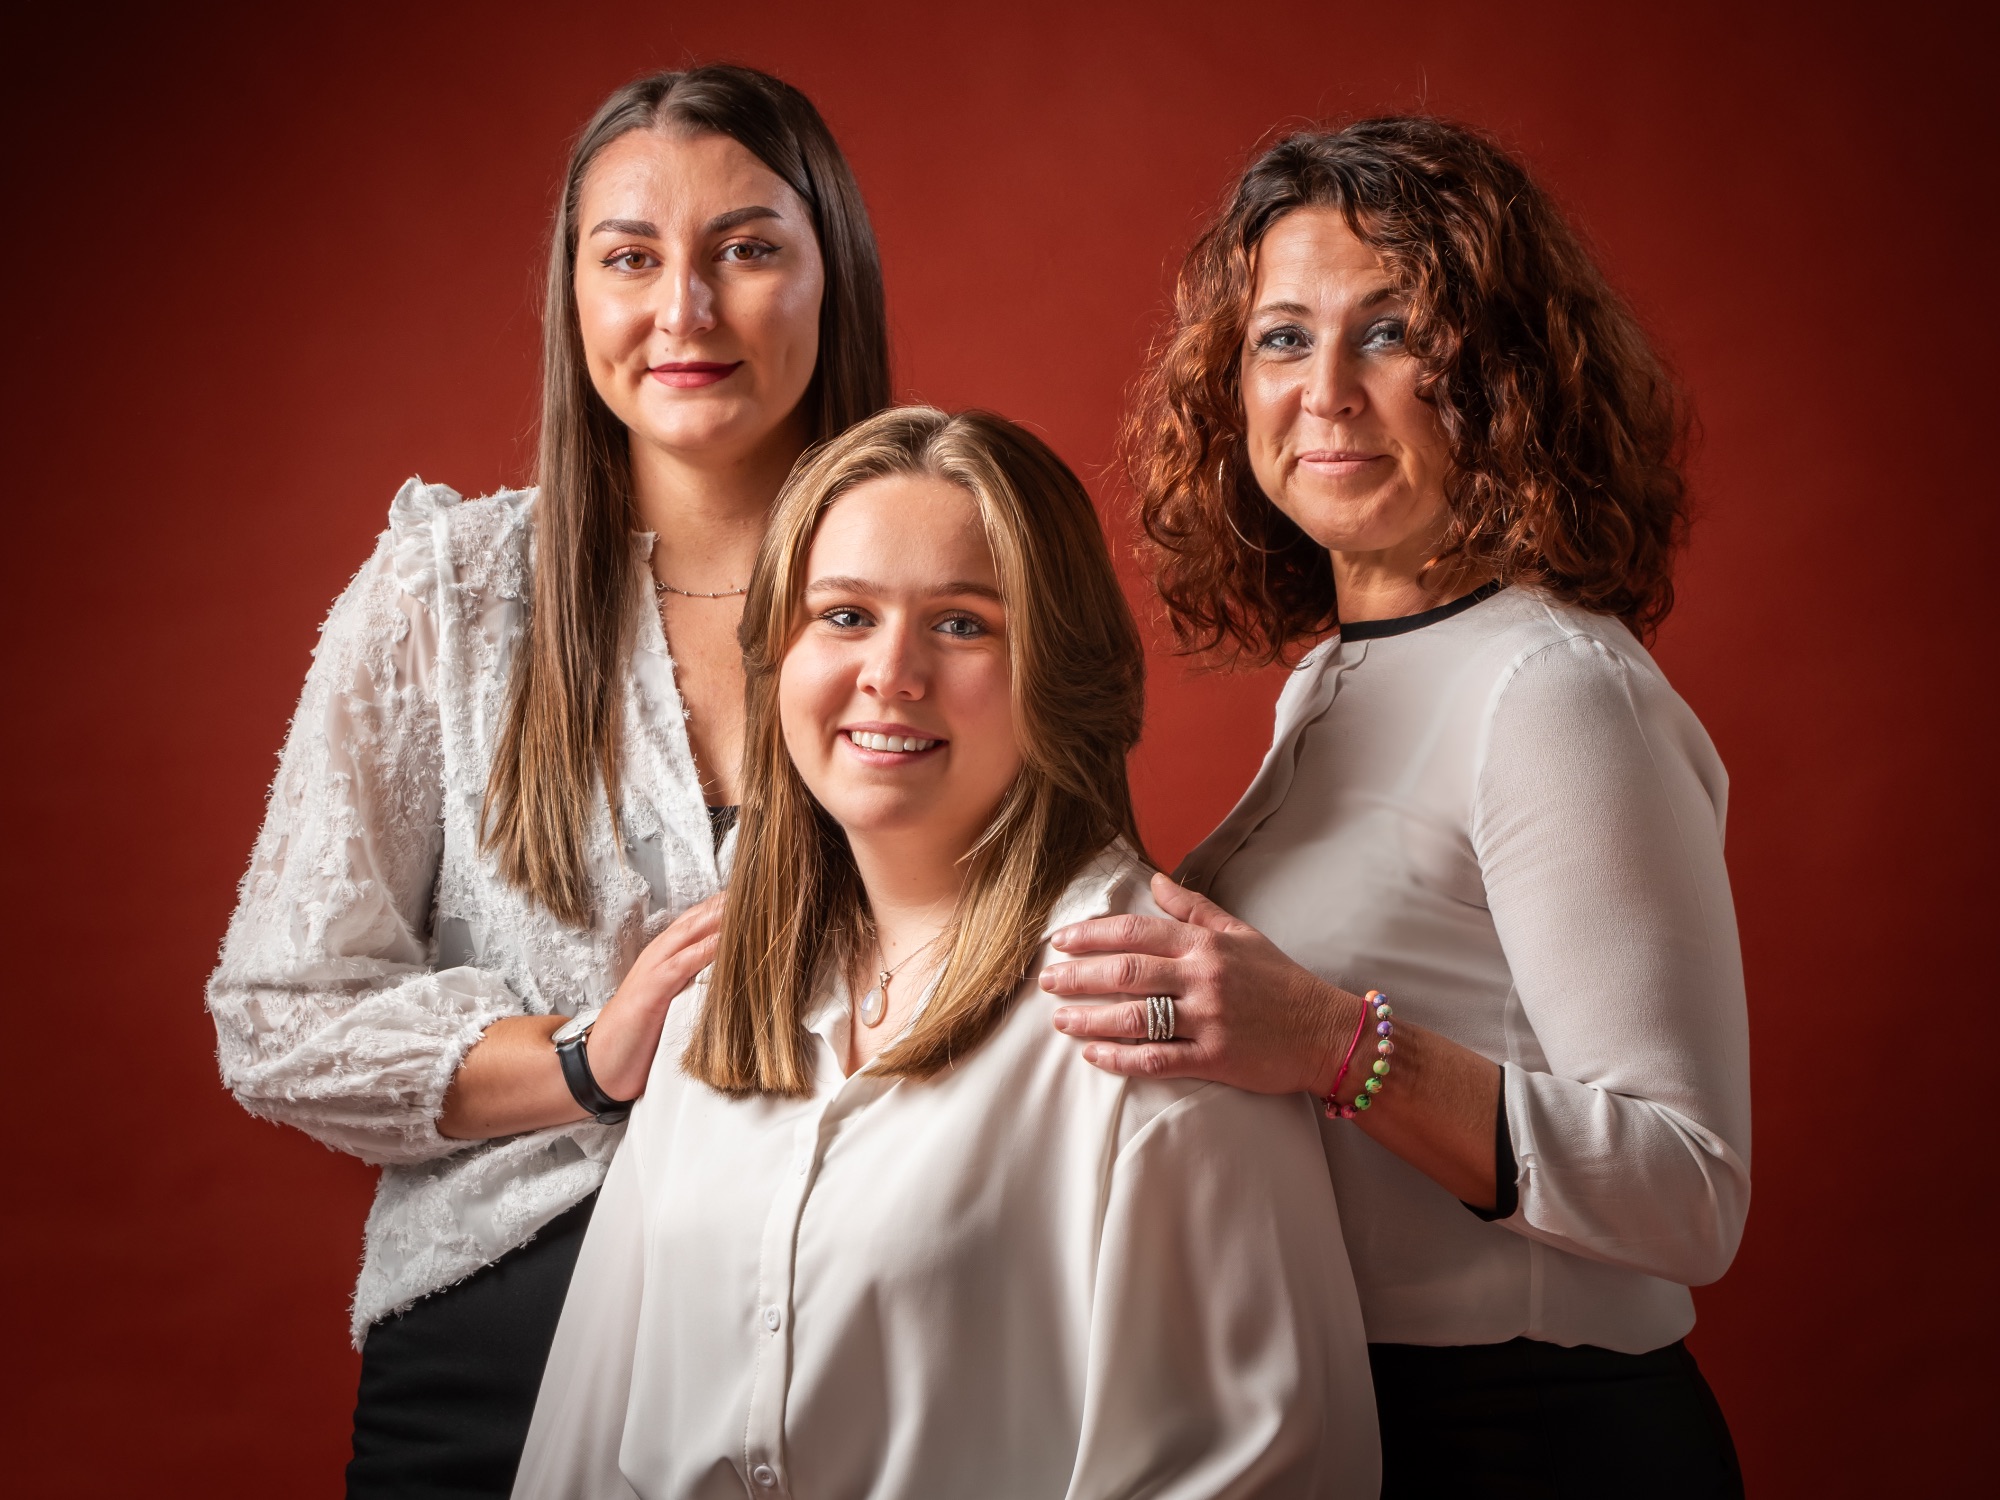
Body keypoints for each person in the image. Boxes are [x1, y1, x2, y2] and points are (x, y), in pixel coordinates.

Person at [205, 65, 891, 1497]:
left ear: (836, 277)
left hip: (860, 1356)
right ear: (573, 296)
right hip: (493, 1379)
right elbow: (280, 1012)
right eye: (630, 258)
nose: (683, 311)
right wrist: (588, 1057)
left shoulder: (948, 590)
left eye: (747, 250)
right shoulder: (446, 600)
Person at [1040, 118, 1750, 1496]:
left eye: (1391, 331)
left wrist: (1330, 1043)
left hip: (1534, 1444)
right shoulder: (1334, 679)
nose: (1325, 393)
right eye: (1283, 338)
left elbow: (1691, 1191)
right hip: (1349, 1418)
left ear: (1502, 377)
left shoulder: (1550, 686)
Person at [510, 406, 1381, 1500]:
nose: (890, 673)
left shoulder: (1152, 1013)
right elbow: (584, 1445)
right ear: (779, 658)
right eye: (843, 616)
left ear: (1053, 669)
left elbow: (1250, 1474)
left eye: (962, 625)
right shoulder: (714, 1001)